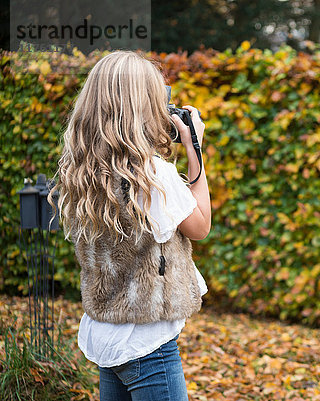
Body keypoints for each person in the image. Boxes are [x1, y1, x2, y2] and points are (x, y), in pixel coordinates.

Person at [52, 51, 211, 400]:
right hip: (147, 342)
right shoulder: (153, 176)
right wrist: (194, 149)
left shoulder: (82, 171)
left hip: (106, 332)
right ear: (144, 107)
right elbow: (200, 227)